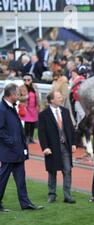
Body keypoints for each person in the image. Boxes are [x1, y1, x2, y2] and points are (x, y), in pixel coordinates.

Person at [0, 84, 44, 212]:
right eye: (17, 94)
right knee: (3, 178)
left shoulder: (10, 107)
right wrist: (12, 141)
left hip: (17, 151)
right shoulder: (2, 109)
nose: (19, 96)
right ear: (11, 95)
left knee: (20, 179)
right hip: (9, 151)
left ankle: (25, 203)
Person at [38, 91, 76, 204]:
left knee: (67, 170)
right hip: (52, 148)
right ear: (51, 100)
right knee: (52, 171)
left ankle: (67, 195)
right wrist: (45, 147)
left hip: (65, 147)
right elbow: (41, 133)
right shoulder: (44, 114)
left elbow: (70, 128)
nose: (61, 98)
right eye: (59, 97)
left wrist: (73, 143)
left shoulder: (65, 111)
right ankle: (52, 194)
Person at [18, 74, 40, 144]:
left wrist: (39, 106)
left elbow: (38, 97)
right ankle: (26, 137)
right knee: (27, 123)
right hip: (26, 108)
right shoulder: (21, 87)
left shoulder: (35, 86)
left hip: (34, 108)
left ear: (31, 80)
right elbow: (18, 97)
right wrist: (25, 97)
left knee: (33, 123)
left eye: (28, 79)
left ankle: (31, 137)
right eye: (24, 80)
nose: (26, 81)